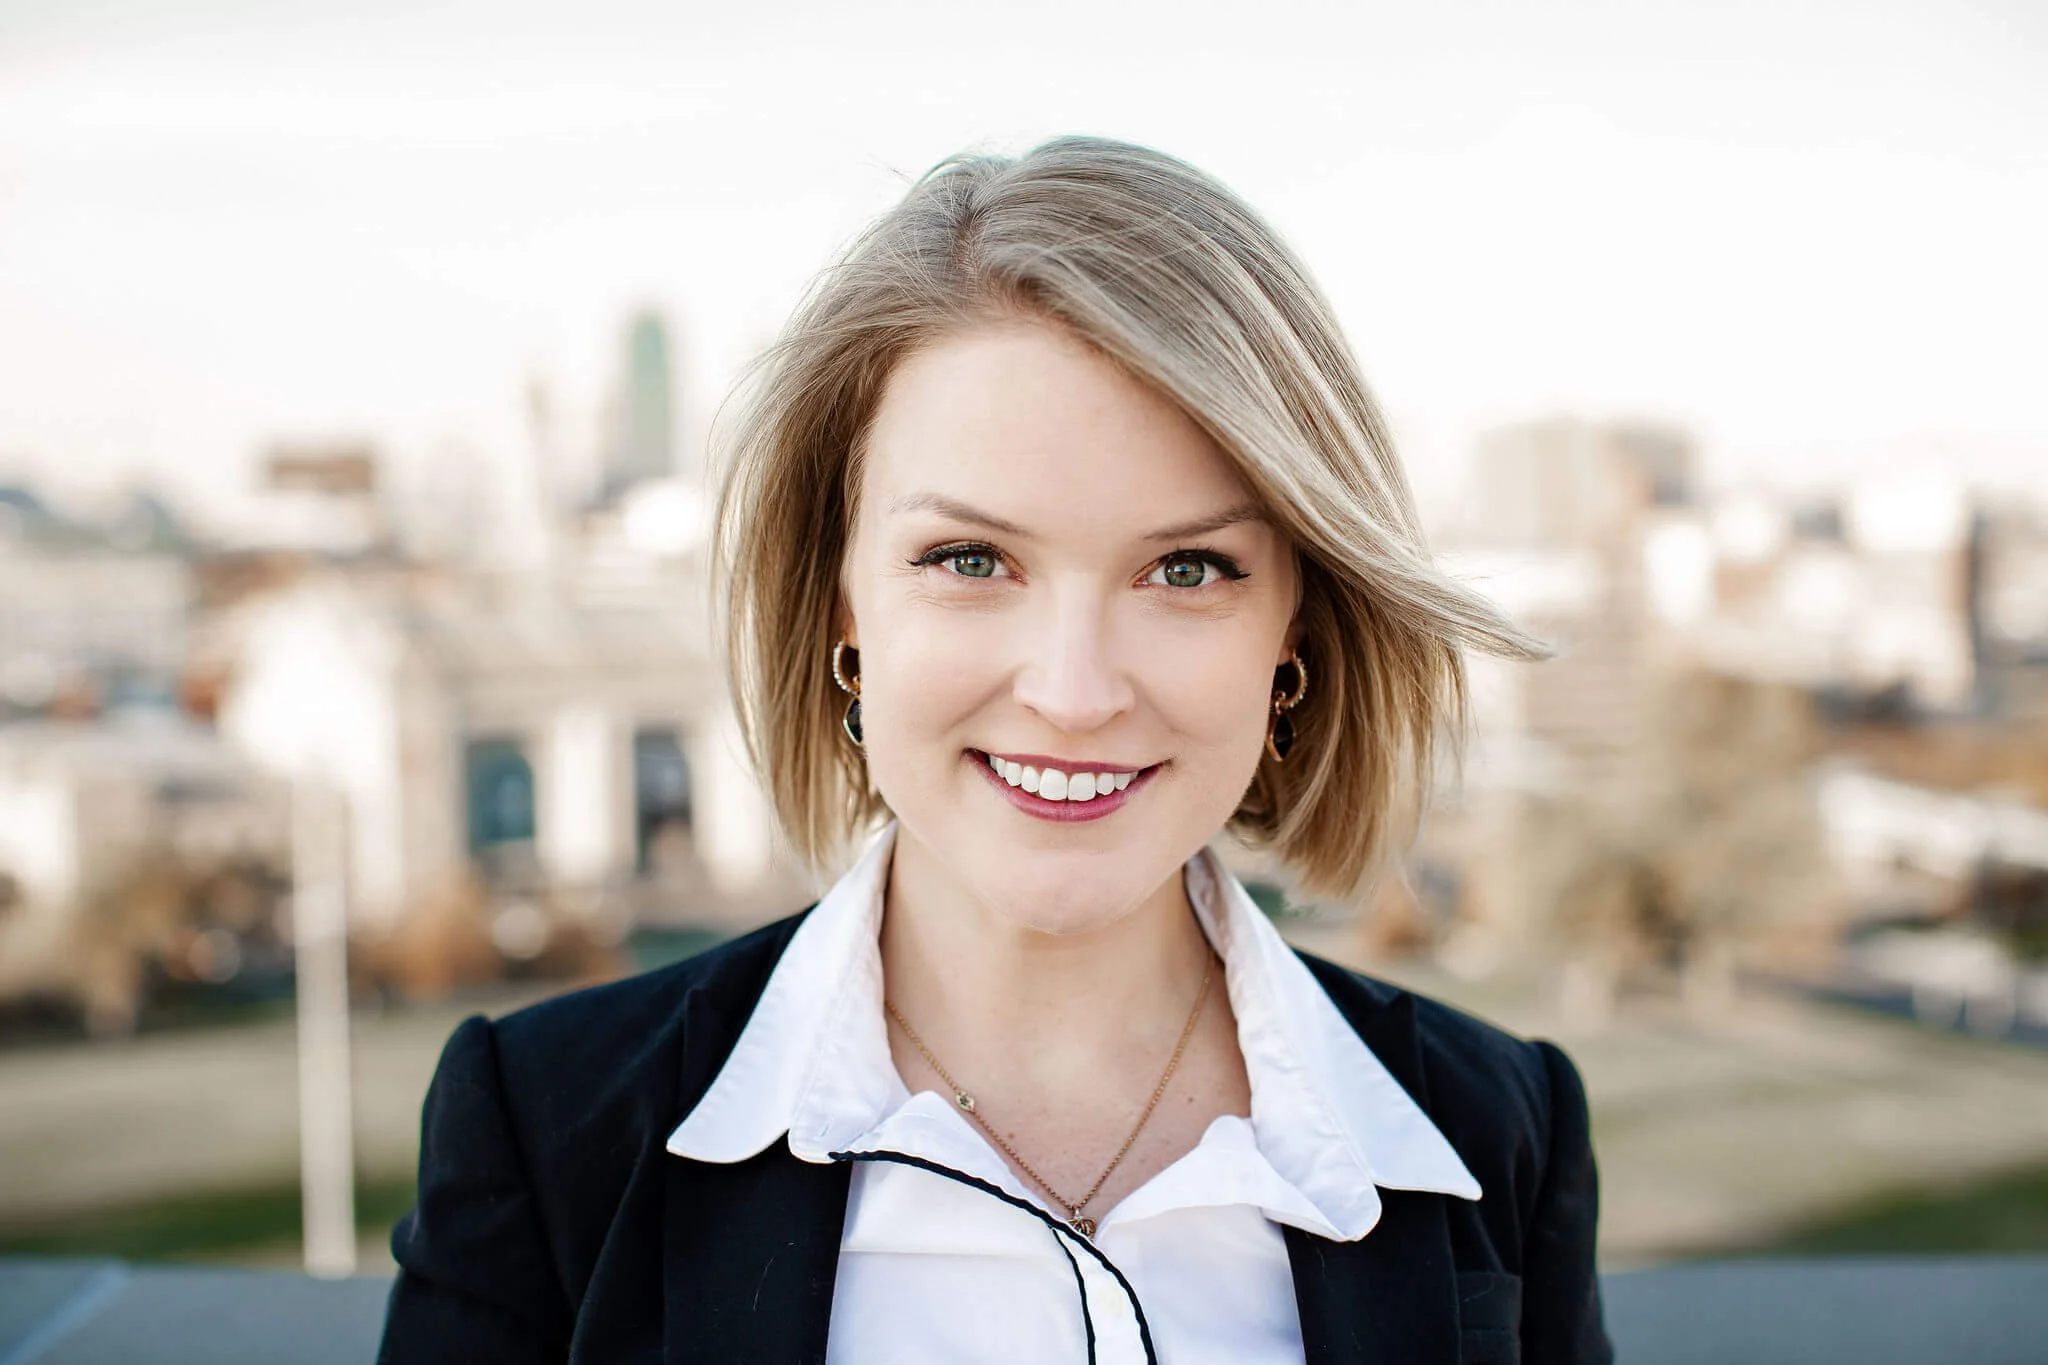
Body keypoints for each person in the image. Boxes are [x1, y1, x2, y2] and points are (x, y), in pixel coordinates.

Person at [378, 135, 1610, 1365]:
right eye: (969, 561)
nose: (1072, 694)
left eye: (1186, 569)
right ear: (842, 605)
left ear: (1295, 628)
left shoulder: (1496, 1133)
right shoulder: (546, 1134)